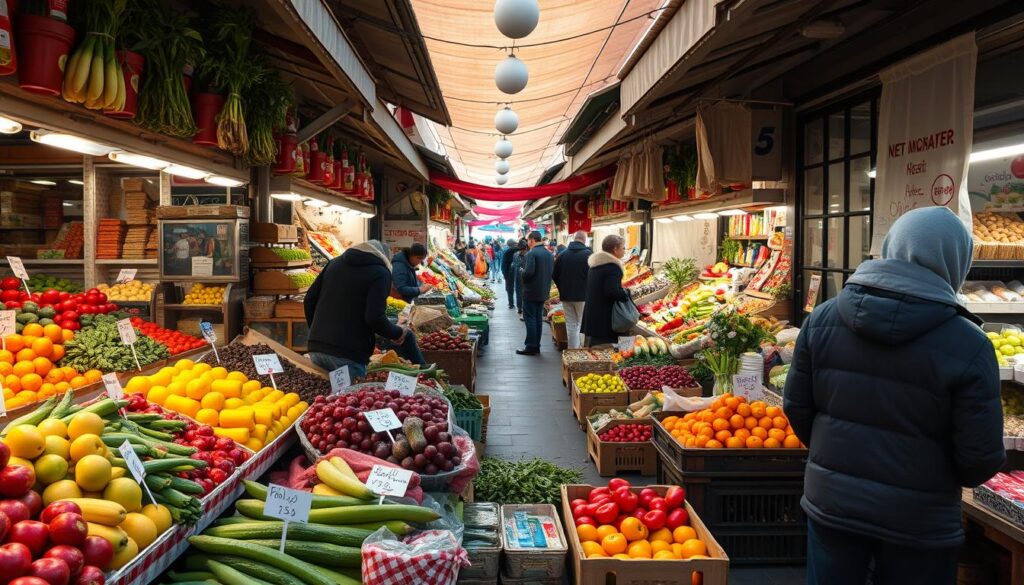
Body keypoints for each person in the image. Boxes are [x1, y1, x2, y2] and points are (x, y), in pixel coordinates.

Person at [784, 207, 1004, 585]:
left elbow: (797, 408)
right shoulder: (970, 344)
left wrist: (834, 455)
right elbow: (979, 459)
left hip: (833, 504)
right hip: (921, 521)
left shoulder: (822, 319)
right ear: (957, 261)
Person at [304, 240, 423, 378]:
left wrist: (317, 333)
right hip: (348, 353)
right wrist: (397, 333)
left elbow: (309, 300)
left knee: (325, 397)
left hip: (316, 348)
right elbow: (374, 317)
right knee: (350, 398)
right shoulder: (381, 273)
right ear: (384, 257)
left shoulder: (334, 263)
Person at [581, 234, 630, 347]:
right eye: (623, 248)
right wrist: (626, 293)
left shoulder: (595, 264)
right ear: (615, 249)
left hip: (594, 315)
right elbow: (612, 291)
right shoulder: (612, 267)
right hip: (606, 318)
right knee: (606, 351)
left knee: (596, 349)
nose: (624, 250)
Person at [552, 231, 592, 349]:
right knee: (582, 323)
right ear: (584, 240)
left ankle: (572, 350)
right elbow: (594, 275)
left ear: (574, 239)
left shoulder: (562, 255)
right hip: (583, 296)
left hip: (566, 296)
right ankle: (580, 352)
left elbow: (554, 275)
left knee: (571, 324)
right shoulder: (589, 255)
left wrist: (562, 289)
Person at [517, 231, 554, 356]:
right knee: (538, 319)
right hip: (543, 291)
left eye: (528, 240)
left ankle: (531, 346)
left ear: (532, 240)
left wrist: (522, 271)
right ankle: (536, 345)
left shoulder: (532, 253)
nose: (527, 243)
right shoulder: (549, 254)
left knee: (530, 319)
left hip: (531, 291)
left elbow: (528, 273)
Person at [512, 239, 528, 314]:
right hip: (518, 277)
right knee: (519, 293)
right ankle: (519, 307)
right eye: (521, 249)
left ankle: (524, 308)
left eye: (523, 249)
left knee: (525, 293)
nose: (522, 251)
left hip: (526, 277)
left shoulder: (529, 255)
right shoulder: (515, 255)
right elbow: (514, 265)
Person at [501, 238, 517, 308]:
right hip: (519, 273)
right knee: (519, 289)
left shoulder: (506, 252)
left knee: (509, 289)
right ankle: (520, 306)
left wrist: (504, 274)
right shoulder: (519, 250)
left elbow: (504, 264)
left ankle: (511, 304)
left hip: (509, 273)